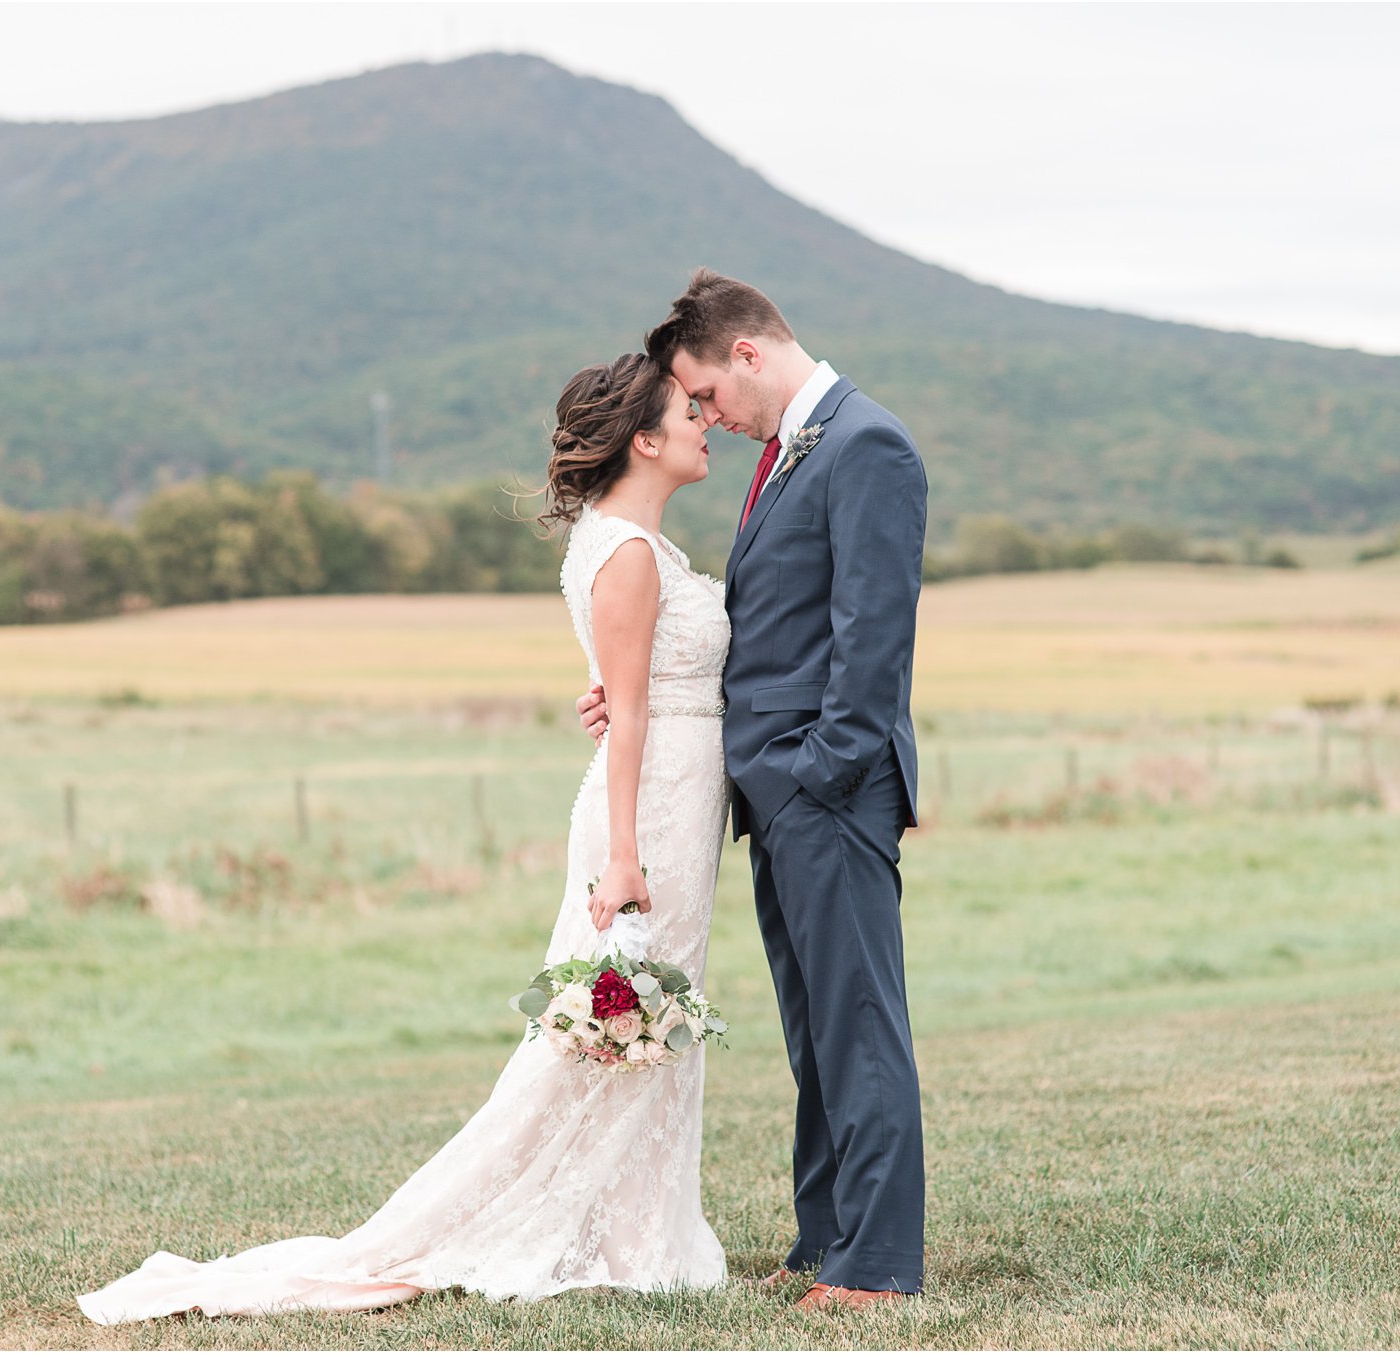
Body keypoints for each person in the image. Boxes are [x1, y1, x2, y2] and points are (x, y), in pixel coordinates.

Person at [76, 353, 732, 1321]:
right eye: (689, 410)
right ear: (644, 438)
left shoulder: (625, 542)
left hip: (667, 796)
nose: (704, 421)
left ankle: (635, 1229)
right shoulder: (626, 553)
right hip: (649, 814)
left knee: (637, 1024)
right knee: (620, 1023)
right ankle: (591, 1235)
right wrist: (625, 858)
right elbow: (629, 714)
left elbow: (626, 691)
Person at [578, 269, 929, 1311]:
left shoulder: (866, 445)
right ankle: (822, 1238)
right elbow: (771, 625)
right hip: (772, 794)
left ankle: (874, 1267)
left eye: (707, 395)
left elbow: (873, 637)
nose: (710, 418)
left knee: (857, 1022)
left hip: (826, 789)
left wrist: (817, 771)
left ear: (746, 355)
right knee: (813, 1029)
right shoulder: (788, 455)